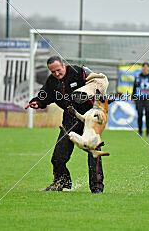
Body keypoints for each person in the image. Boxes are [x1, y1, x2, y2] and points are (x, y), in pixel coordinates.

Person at [28, 56, 104, 194]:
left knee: (94, 153)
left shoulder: (78, 72)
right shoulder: (51, 82)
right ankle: (61, 183)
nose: (57, 74)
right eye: (53, 72)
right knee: (57, 157)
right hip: (69, 121)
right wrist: (37, 102)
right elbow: (44, 96)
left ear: (63, 65)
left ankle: (97, 187)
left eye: (58, 70)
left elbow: (98, 82)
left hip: (89, 120)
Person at [132, 62, 149, 137]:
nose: (145, 68)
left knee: (147, 114)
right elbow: (134, 88)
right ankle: (140, 131)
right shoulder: (138, 77)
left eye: (147, 67)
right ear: (142, 68)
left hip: (148, 98)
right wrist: (133, 98)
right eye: (144, 67)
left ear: (148, 68)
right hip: (139, 98)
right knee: (139, 114)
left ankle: (148, 131)